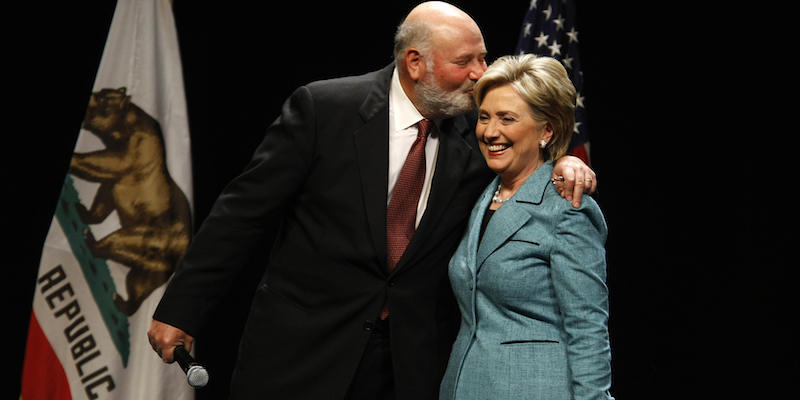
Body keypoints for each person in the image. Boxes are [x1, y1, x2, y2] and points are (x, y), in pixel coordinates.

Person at [147, 3, 596, 399]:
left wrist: (564, 164)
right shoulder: (325, 110)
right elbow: (241, 216)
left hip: (407, 368)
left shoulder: (475, 138)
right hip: (301, 356)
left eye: (482, 57)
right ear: (416, 62)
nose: (482, 72)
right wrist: (182, 309)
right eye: (466, 61)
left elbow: (523, 163)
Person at [439, 54, 613, 400]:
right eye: (484, 117)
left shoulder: (567, 207)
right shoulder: (480, 194)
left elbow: (588, 328)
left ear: (546, 129)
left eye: (507, 118)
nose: (490, 132)